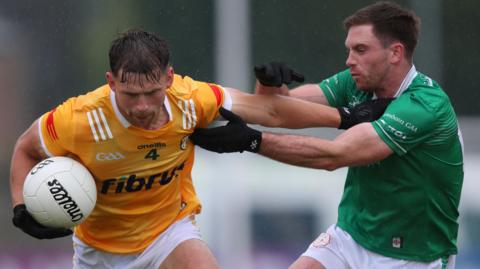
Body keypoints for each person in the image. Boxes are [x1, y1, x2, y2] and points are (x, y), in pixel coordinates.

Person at [9, 29, 391, 269]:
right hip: (99, 252)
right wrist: (21, 208)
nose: (142, 106)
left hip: (168, 234)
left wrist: (345, 117)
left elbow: (270, 109)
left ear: (169, 78)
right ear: (110, 82)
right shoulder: (78, 120)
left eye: (152, 92)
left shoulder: (190, 100)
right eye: (130, 95)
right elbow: (25, 148)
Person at [191, 2, 463, 269]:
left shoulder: (425, 104)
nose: (349, 60)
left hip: (414, 255)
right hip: (350, 237)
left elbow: (334, 155)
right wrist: (269, 85)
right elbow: (281, 109)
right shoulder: (357, 82)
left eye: (360, 50)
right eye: (349, 50)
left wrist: (251, 141)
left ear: (395, 53)